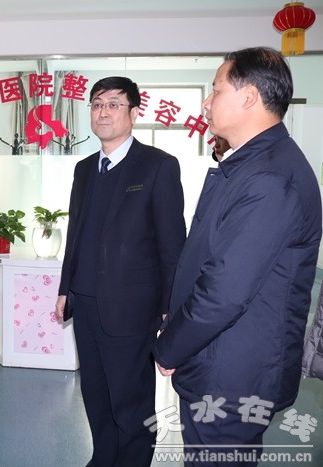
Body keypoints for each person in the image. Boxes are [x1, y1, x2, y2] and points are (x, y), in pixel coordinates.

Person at [154, 47, 322, 466]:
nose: (206, 103)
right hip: (222, 361)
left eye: (216, 90)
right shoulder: (254, 163)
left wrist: (170, 347)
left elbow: (224, 292)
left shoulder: (270, 178)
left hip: (232, 375)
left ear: (248, 97)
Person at [54, 76, 186, 467]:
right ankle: (103, 458)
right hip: (85, 305)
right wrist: (65, 288)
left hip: (131, 309)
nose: (103, 112)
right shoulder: (84, 169)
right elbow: (75, 234)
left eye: (114, 104)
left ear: (134, 112)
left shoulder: (158, 166)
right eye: (97, 104)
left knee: (131, 404)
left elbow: (172, 246)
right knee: (96, 396)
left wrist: (170, 309)